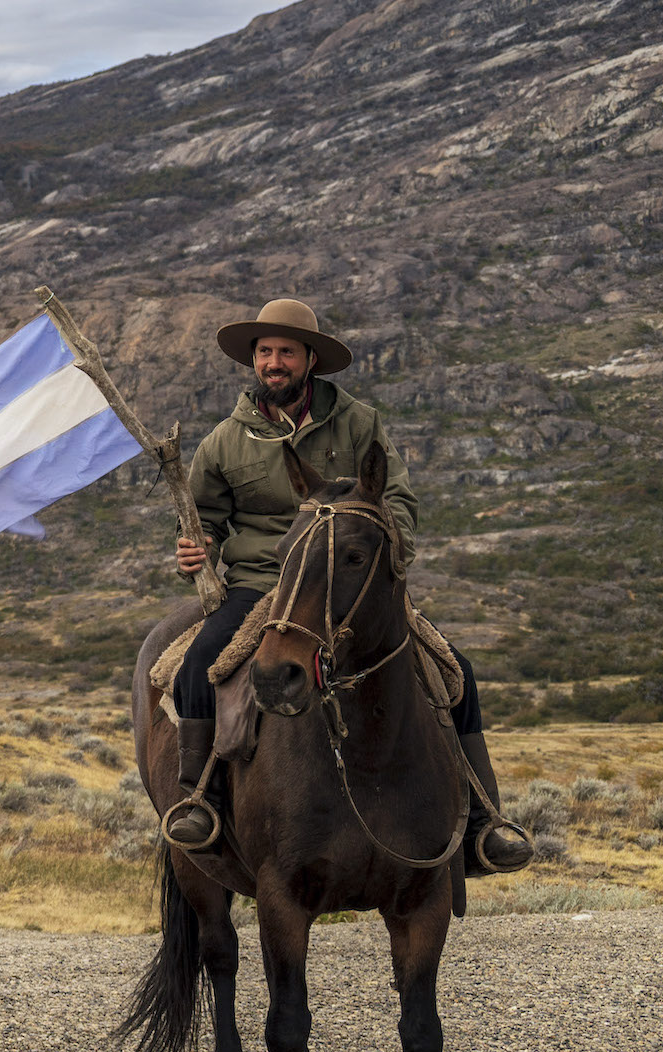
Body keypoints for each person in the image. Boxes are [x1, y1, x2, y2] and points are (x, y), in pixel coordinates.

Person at [169, 297, 530, 873]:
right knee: (199, 664)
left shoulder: (360, 423)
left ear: (311, 359)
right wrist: (195, 546)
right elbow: (203, 517)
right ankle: (202, 800)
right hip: (265, 582)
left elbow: (399, 500)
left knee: (452, 668)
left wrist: (389, 556)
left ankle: (485, 820)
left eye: (286, 351)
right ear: (254, 361)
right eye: (265, 352)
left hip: (353, 581)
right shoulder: (224, 441)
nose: (274, 362)